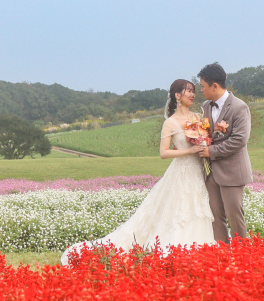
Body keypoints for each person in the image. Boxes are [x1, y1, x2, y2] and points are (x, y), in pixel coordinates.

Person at [60, 79, 215, 266]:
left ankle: (202, 249)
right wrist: (189, 151)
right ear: (177, 95)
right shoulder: (171, 123)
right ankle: (177, 251)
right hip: (181, 172)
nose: (192, 94)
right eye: (188, 91)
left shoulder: (199, 117)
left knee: (199, 208)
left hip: (199, 171)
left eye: (193, 91)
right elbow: (164, 153)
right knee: (180, 210)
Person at [197, 62, 253, 243]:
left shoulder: (239, 107)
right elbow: (205, 133)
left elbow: (239, 140)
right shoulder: (206, 106)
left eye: (203, 86)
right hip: (210, 173)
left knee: (234, 217)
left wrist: (210, 151)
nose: (201, 90)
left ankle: (243, 255)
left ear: (215, 85)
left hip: (232, 172)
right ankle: (223, 256)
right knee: (215, 217)